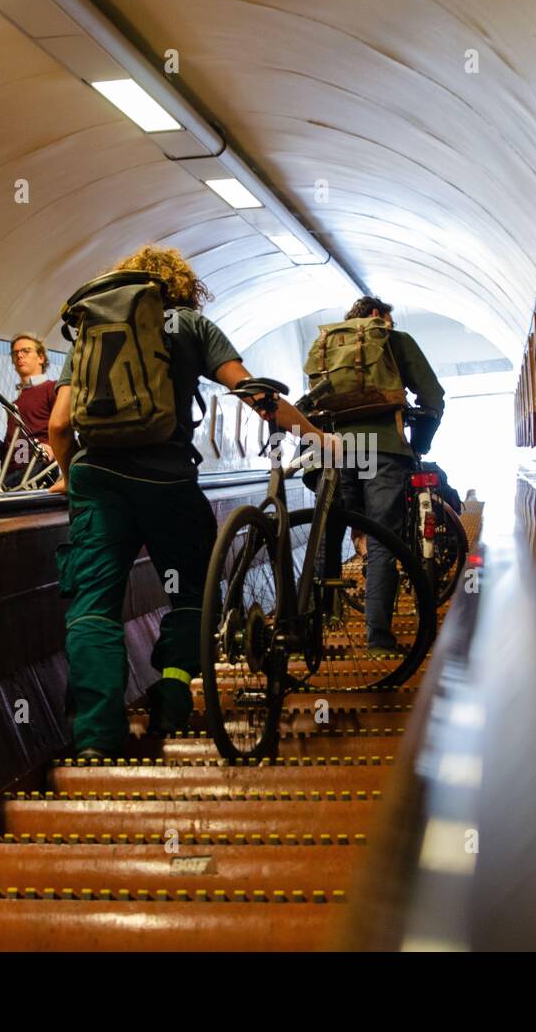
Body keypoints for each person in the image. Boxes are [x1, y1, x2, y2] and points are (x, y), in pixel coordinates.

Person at [47, 245, 331, 760]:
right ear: (184, 287)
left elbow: (60, 424)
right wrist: (311, 432)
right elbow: (249, 391)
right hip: (166, 478)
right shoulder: (192, 326)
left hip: (97, 477)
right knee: (192, 594)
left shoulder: (93, 327)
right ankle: (174, 695)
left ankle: (94, 738)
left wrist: (71, 478)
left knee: (93, 608)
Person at [323, 296, 444, 653]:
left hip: (337, 449)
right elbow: (433, 395)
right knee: (382, 540)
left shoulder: (330, 344)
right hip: (384, 451)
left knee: (330, 532)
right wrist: (419, 442)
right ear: (377, 315)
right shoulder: (394, 340)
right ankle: (377, 637)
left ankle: (316, 624)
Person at [0, 332, 58, 489]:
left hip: (40, 473)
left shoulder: (52, 388)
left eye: (26, 351)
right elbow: (18, 448)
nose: (19, 355)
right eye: (15, 353)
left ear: (41, 358)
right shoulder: (17, 402)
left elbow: (66, 425)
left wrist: (52, 448)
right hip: (12, 475)